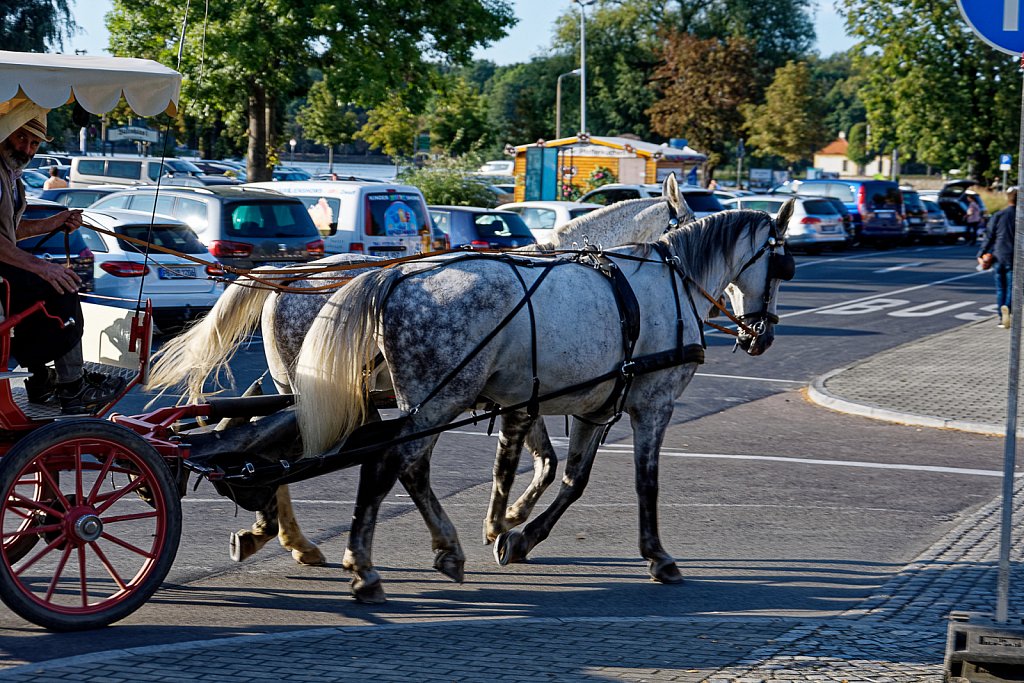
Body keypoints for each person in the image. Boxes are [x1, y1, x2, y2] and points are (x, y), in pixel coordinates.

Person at [0, 114, 124, 413]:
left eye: (34, 143)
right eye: (21, 139)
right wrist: (42, 267)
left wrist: (52, 223)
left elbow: (10, 232)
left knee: (52, 285)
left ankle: (40, 382)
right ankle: (72, 387)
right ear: (5, 135)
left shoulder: (10, 177)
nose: (27, 150)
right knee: (62, 288)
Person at [978, 187, 1017, 329]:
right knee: (1013, 288)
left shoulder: (999, 215)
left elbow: (989, 236)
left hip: (998, 255)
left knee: (1000, 288)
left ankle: (1002, 318)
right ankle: (1008, 308)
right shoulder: (1020, 215)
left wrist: (981, 254)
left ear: (1008, 199)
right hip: (1015, 257)